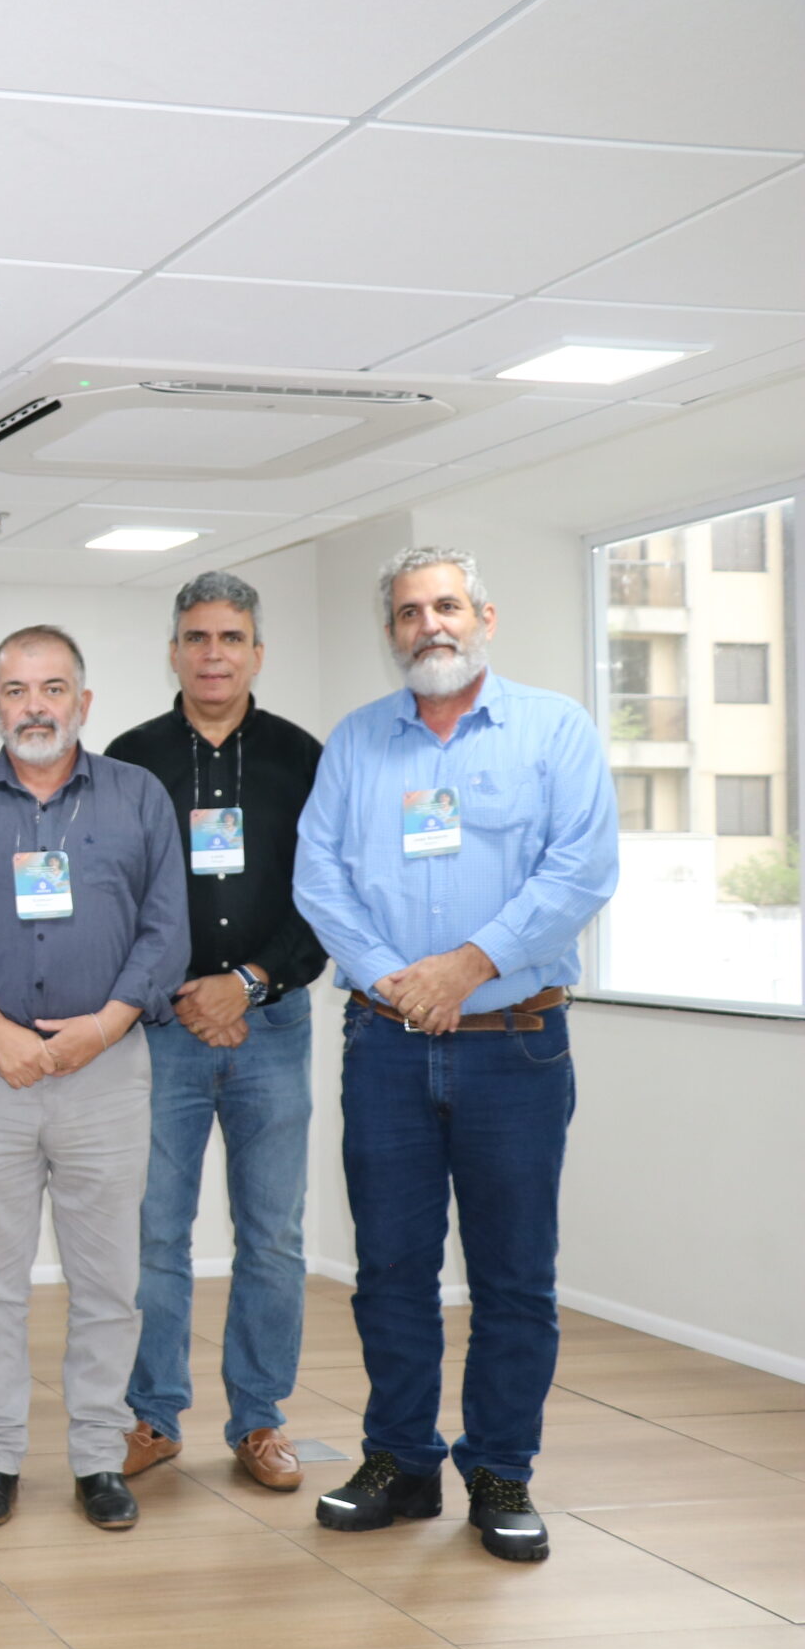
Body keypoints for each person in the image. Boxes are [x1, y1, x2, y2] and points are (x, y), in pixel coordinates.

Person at [294, 547, 617, 1564]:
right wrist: (399, 981)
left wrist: (466, 966)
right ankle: (400, 1461)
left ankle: (501, 1471)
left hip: (514, 1047)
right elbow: (318, 879)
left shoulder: (554, 730)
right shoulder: (356, 742)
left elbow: (581, 869)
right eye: (408, 612)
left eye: (445, 606)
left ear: (484, 616)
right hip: (385, 1046)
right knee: (390, 1269)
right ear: (390, 630)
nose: (427, 624)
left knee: (513, 1276)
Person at [0, 625, 188, 1534]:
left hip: (107, 1069)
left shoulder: (138, 796)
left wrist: (102, 1027)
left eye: (53, 688)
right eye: (17, 691)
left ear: (83, 702)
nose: (35, 706)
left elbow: (166, 930)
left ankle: (99, 1455)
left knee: (108, 1282)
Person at [102, 573, 327, 1494]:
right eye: (197, 637)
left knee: (272, 1236)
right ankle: (153, 1416)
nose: (213, 653)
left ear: (256, 653)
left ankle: (260, 1418)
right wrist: (183, 994)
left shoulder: (303, 758)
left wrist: (248, 984)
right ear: (174, 652)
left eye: (231, 638)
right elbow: (109, 899)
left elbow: (327, 897)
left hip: (272, 1024)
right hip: (161, 1029)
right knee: (154, 1232)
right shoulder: (130, 760)